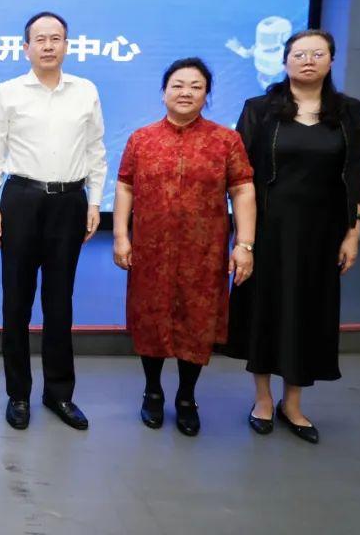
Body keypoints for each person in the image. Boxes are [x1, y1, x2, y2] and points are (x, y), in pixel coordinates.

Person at [226, 29, 360, 444]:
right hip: (268, 228)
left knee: (308, 312)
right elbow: (241, 177)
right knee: (264, 309)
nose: (308, 61)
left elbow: (355, 174)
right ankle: (263, 399)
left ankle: (294, 403)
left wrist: (353, 233)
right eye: (299, 54)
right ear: (285, 61)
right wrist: (243, 239)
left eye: (317, 54)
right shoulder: (260, 109)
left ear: (331, 60)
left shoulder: (347, 111)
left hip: (322, 232)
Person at [112, 58, 256, 436]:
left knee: (197, 321)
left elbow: (242, 190)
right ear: (163, 92)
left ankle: (187, 397)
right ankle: (153, 391)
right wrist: (121, 235)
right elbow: (125, 186)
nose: (186, 92)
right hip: (151, 249)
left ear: (207, 94)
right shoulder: (141, 139)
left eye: (196, 86)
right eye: (177, 85)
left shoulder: (226, 141)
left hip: (203, 251)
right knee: (150, 318)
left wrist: (244, 244)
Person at [0, 11, 107, 431]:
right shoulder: (9, 92)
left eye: (56, 38)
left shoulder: (85, 91)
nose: (48, 46)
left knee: (60, 302)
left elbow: (96, 150)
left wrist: (95, 201)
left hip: (70, 201)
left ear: (67, 45)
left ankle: (59, 393)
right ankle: (17, 394)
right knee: (16, 302)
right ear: (26, 47)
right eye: (40, 39)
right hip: (21, 199)